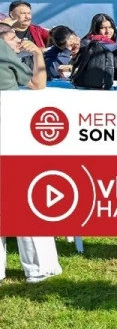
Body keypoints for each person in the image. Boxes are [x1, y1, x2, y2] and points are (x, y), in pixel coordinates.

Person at [1, 21, 58, 283]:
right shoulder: (4, 54)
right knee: (26, 200)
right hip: (10, 134)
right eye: (13, 36)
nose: (18, 41)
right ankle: (38, 267)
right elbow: (38, 85)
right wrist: (36, 54)